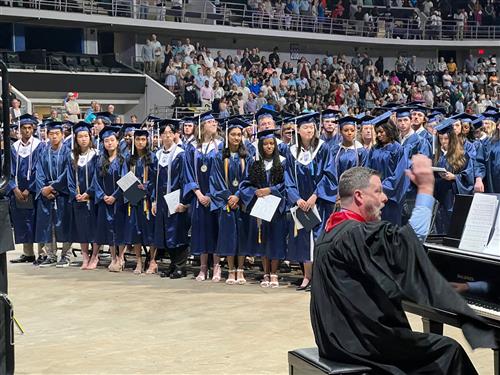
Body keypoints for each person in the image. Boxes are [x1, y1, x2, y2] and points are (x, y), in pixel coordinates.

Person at [311, 156, 496, 375]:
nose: (385, 198)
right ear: (359, 196)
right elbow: (413, 238)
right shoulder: (358, 234)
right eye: (378, 191)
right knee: (449, 351)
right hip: (361, 343)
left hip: (335, 339)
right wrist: (426, 187)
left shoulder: (330, 231)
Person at [285, 112, 337, 291]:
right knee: (304, 241)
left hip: (319, 203)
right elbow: (288, 179)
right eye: (305, 127)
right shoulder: (291, 151)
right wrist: (297, 199)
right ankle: (306, 277)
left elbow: (329, 174)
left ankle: (319, 278)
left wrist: (315, 196)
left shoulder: (323, 148)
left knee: (319, 238)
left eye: (311, 127)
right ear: (298, 130)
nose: (309, 129)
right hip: (301, 205)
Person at [240, 128, 287, 288]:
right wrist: (256, 192)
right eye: (266, 144)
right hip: (261, 206)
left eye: (271, 143)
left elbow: (286, 184)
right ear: (261, 146)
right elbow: (245, 184)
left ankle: (274, 273)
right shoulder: (254, 162)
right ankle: (265, 273)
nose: (269, 146)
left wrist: (270, 190)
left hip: (276, 206)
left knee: (275, 240)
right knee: (263, 240)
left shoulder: (282, 161)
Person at [209, 118, 251, 284]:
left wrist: (239, 195)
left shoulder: (247, 156)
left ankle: (240, 270)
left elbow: (249, 179)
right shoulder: (219, 156)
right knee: (227, 236)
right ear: (227, 136)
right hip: (226, 203)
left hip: (241, 202)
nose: (236, 138)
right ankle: (231, 269)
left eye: (239, 135)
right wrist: (228, 197)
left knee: (242, 235)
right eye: (233, 134)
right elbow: (215, 180)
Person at [183, 111, 222, 281]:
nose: (214, 123)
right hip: (199, 197)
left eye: (214, 121)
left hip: (215, 196)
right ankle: (203, 267)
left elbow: (222, 173)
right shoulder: (192, 148)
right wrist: (198, 194)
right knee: (201, 231)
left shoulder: (221, 145)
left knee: (216, 230)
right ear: (202, 126)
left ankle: (217, 267)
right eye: (210, 122)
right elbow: (188, 173)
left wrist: (212, 195)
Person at [152, 119, 190, 278]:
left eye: (170, 133)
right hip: (161, 200)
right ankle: (173, 265)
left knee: (177, 232)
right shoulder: (158, 154)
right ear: (160, 136)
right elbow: (154, 180)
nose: (167, 136)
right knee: (166, 233)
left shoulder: (181, 154)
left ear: (175, 135)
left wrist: (184, 202)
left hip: (175, 198)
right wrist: (154, 200)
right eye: (164, 134)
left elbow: (185, 179)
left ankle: (181, 267)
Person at [35, 120, 73, 267]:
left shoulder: (68, 152)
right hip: (47, 193)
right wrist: (43, 189)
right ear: (47, 135)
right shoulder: (44, 152)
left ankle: (66, 255)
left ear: (62, 135)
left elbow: (67, 173)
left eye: (57, 133)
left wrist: (53, 187)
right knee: (48, 224)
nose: (54, 136)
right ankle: (51, 255)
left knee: (64, 223)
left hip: (62, 193)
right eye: (51, 134)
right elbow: (39, 172)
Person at [8, 114, 44, 265]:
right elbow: (8, 170)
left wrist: (29, 189)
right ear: (19, 129)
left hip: (34, 191)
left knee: (38, 221)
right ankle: (28, 253)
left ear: (33, 129)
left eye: (30, 128)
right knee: (22, 221)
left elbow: (40, 169)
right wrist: (14, 188)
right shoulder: (13, 147)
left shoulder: (39, 145)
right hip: (17, 192)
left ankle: (42, 253)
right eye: (24, 128)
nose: (27, 130)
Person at [92, 126, 128, 272]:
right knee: (108, 229)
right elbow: (96, 181)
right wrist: (103, 196)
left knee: (119, 228)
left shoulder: (122, 160)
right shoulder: (100, 160)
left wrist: (115, 196)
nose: (109, 143)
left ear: (117, 142)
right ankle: (113, 257)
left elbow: (126, 180)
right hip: (105, 201)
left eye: (112, 140)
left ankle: (121, 257)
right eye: (106, 141)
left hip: (118, 201)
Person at [66, 121, 99, 270]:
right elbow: (69, 177)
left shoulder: (96, 155)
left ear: (90, 137)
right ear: (76, 138)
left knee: (95, 227)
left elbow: (97, 178)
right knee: (82, 228)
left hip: (92, 199)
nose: (83, 139)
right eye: (80, 136)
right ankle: (85, 256)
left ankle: (95, 255)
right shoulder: (72, 156)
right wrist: (75, 194)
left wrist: (89, 193)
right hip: (78, 200)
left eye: (86, 136)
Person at [124, 129, 156, 274]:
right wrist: (133, 193)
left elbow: (156, 179)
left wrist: (147, 187)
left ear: (147, 141)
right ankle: (138, 261)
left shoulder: (152, 158)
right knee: (135, 231)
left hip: (148, 201)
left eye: (143, 139)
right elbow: (124, 177)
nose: (140, 142)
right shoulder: (129, 159)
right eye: (138, 139)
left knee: (150, 232)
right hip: (134, 200)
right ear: (134, 141)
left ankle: (152, 260)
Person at [433, 119, 474, 234]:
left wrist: (455, 177)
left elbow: (469, 178)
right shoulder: (436, 154)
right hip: (438, 198)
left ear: (452, 139)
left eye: (446, 139)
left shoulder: (462, 155)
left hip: (452, 199)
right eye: (440, 139)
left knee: (452, 228)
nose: (443, 142)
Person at [368, 112, 407, 225]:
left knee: (390, 226)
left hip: (391, 197)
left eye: (381, 132)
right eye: (377, 133)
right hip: (374, 195)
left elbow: (399, 175)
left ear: (389, 130)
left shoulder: (398, 149)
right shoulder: (374, 149)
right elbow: (367, 169)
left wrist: (382, 189)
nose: (379, 135)